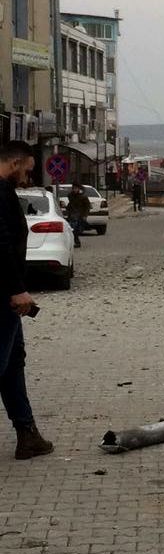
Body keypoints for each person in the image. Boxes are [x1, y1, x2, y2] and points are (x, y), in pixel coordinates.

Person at [0, 140, 54, 460]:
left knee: (13, 363)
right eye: (28, 169)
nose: (28, 177)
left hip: (6, 293)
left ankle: (27, 433)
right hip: (2, 295)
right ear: (16, 162)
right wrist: (16, 290)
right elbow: (1, 244)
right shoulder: (0, 192)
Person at [66, 182, 91, 248]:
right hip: (72, 215)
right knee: (72, 230)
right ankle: (75, 242)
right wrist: (67, 209)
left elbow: (87, 206)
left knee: (76, 230)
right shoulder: (70, 196)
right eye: (73, 188)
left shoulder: (83, 197)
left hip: (79, 215)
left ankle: (77, 242)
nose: (75, 190)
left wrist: (85, 215)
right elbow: (70, 204)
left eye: (76, 188)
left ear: (79, 188)